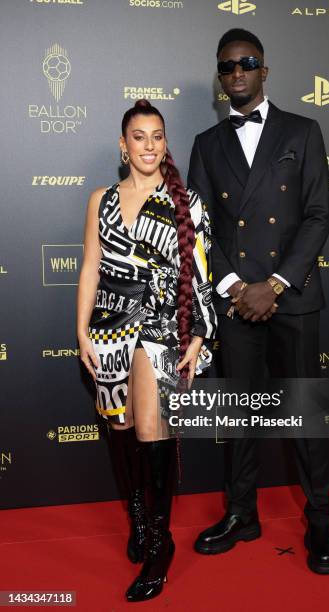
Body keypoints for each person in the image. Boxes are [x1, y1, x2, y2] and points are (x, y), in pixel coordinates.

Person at [188, 28, 329, 574]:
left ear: (264, 70)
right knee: (238, 418)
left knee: (305, 414)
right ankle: (241, 514)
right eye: (227, 66)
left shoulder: (304, 130)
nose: (237, 74)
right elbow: (199, 228)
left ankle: (319, 519)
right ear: (220, 75)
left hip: (290, 297)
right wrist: (234, 287)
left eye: (247, 63)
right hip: (235, 303)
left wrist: (273, 285)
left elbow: (319, 215)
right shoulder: (207, 144)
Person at [77, 99, 216, 602]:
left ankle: (160, 543)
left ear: (165, 143)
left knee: (154, 427)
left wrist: (198, 335)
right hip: (110, 324)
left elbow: (199, 276)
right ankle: (137, 519)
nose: (149, 145)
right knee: (121, 427)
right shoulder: (101, 200)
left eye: (157, 136)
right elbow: (91, 266)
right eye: (139, 137)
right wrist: (81, 332)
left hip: (162, 326)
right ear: (123, 144)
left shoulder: (187, 203)